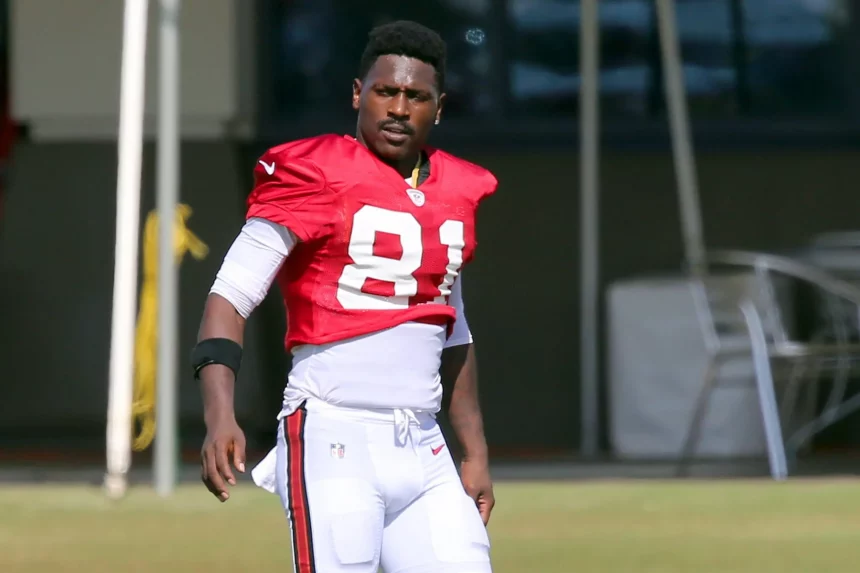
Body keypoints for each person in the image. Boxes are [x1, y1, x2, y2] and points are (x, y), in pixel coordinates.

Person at [192, 20, 497, 573]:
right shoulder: (312, 172)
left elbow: (453, 325)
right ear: (359, 94)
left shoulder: (454, 190)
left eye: (416, 96)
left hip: (422, 441)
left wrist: (473, 452)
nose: (399, 108)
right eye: (386, 91)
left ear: (439, 107)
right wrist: (219, 415)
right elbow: (229, 298)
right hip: (335, 431)